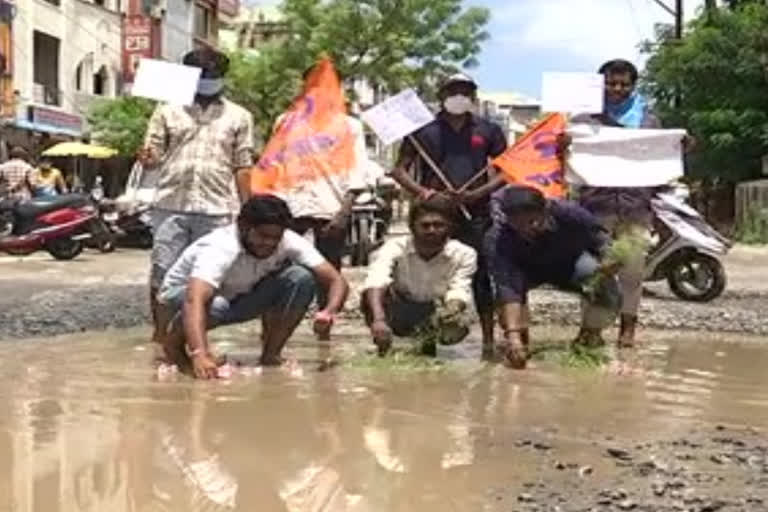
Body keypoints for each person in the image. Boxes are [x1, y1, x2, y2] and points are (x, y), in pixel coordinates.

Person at [157, 194, 349, 379]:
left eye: (276, 238)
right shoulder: (221, 246)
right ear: (243, 226)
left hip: (238, 296)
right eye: (263, 236)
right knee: (216, 305)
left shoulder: (288, 240)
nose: (270, 243)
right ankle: (174, 346)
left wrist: (329, 311)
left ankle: (271, 355)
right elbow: (194, 299)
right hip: (182, 298)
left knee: (300, 278)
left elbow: (336, 280)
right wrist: (200, 353)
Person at [140, 46, 256, 347]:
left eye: (213, 76)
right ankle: (161, 337)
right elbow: (152, 156)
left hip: (217, 208)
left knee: (209, 275)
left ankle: (195, 337)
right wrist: (147, 157)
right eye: (202, 76)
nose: (208, 81)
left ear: (222, 78)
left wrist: (250, 209)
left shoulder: (239, 116)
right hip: (171, 204)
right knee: (163, 273)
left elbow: (242, 165)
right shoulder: (167, 110)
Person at [389, 73, 508, 358]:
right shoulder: (421, 130)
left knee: (479, 277)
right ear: (442, 95)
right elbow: (399, 169)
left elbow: (506, 170)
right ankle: (426, 340)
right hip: (433, 214)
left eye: (465, 91)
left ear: (473, 97)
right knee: (427, 272)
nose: (459, 96)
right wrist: (422, 193)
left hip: (475, 212)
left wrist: (479, 193)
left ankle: (488, 342)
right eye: (453, 90)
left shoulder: (489, 130)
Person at [569, 59, 661, 348]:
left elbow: (663, 158)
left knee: (632, 273)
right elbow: (565, 159)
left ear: (634, 86)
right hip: (595, 208)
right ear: (600, 85)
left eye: (624, 83)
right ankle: (591, 330)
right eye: (611, 82)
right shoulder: (584, 121)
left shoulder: (650, 121)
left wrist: (680, 149)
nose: (617, 89)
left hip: (636, 207)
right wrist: (562, 146)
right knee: (594, 272)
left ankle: (627, 330)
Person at [486, 186, 622, 369]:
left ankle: (588, 336)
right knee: (506, 307)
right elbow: (508, 288)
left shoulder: (571, 214)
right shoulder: (498, 239)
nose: (529, 228)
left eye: (533, 221)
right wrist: (513, 335)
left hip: (570, 265)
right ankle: (519, 346)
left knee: (605, 285)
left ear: (545, 211)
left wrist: (610, 261)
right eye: (520, 225)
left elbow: (601, 239)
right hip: (526, 272)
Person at [361, 195, 477, 356]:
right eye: (425, 225)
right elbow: (376, 279)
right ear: (412, 227)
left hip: (434, 308)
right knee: (370, 297)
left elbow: (460, 287)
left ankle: (428, 345)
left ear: (450, 227)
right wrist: (379, 320)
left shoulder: (465, 254)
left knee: (456, 323)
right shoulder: (395, 246)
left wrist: (452, 309)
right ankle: (383, 341)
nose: (432, 230)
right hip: (397, 305)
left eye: (438, 225)